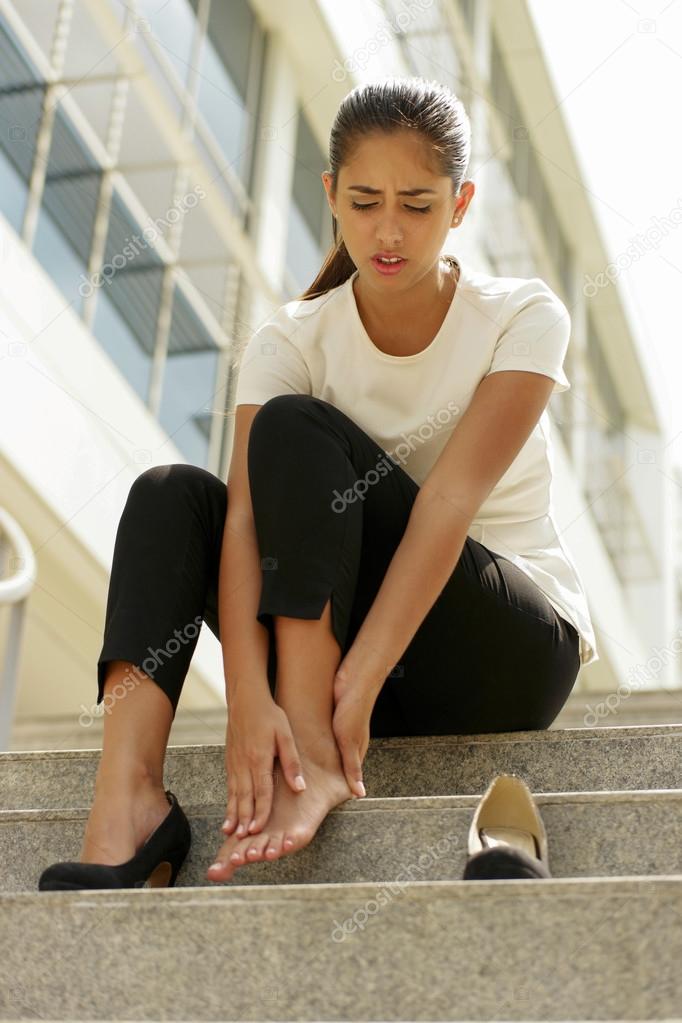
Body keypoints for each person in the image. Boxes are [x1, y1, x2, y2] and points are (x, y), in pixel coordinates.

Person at [39, 75, 598, 892]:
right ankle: (128, 806)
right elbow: (242, 528)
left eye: (418, 203)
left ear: (462, 203)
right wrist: (244, 701)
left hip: (496, 655)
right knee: (170, 491)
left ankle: (311, 755)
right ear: (331, 194)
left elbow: (445, 507)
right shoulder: (292, 338)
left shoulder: (522, 316)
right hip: (345, 649)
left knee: (295, 426)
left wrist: (340, 706)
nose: (390, 230)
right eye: (366, 201)